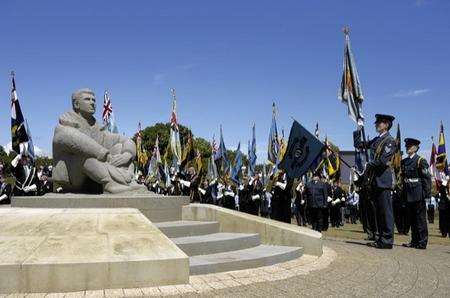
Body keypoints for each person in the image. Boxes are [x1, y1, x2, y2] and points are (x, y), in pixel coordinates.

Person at [358, 114, 397, 249]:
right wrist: (358, 128)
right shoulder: (377, 139)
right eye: (377, 123)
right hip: (375, 180)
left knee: (386, 211)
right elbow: (360, 145)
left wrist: (369, 164)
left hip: (383, 180)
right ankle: (381, 238)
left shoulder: (390, 141)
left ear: (386, 125)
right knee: (379, 212)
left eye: (380, 123)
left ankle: (387, 240)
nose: (377, 125)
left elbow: (382, 160)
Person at [400, 138, 431, 249]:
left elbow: (426, 178)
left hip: (418, 193)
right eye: (407, 146)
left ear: (416, 148)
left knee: (420, 219)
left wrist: (426, 194)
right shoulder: (404, 162)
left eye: (410, 146)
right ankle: (414, 241)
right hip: (408, 193)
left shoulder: (420, 161)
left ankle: (422, 242)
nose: (408, 148)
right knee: (412, 219)